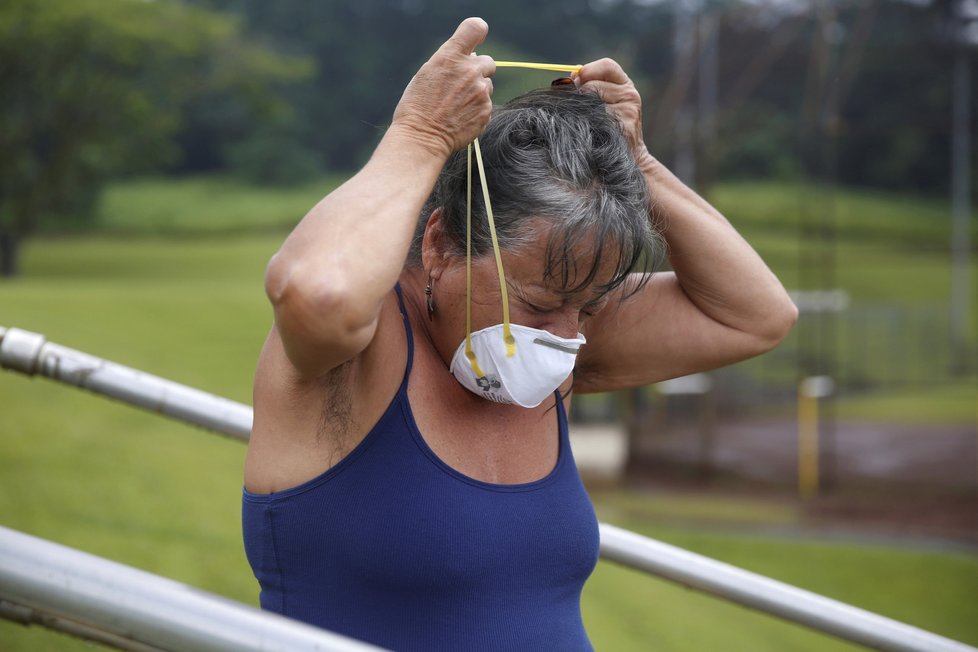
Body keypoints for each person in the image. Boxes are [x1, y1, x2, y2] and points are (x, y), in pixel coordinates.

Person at [241, 17, 797, 651]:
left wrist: (639, 163)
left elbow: (756, 315)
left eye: (586, 309)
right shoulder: (350, 353)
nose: (565, 340)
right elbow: (318, 290)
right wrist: (420, 135)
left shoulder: (545, 346)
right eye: (537, 304)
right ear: (443, 243)